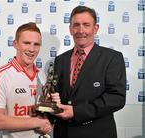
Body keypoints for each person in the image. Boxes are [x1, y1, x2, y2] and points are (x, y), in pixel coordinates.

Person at [52, 5, 126, 138]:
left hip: (97, 133)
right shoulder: (60, 60)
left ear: (95, 28)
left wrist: (76, 112)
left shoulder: (112, 58)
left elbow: (116, 98)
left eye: (86, 25)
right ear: (70, 29)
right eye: (76, 25)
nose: (81, 30)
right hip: (63, 133)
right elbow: (56, 95)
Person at [0, 22, 53, 138]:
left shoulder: (42, 76)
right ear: (15, 44)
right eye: (26, 43)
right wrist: (36, 122)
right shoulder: (2, 75)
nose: (32, 49)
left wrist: (50, 113)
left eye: (36, 44)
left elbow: (43, 113)